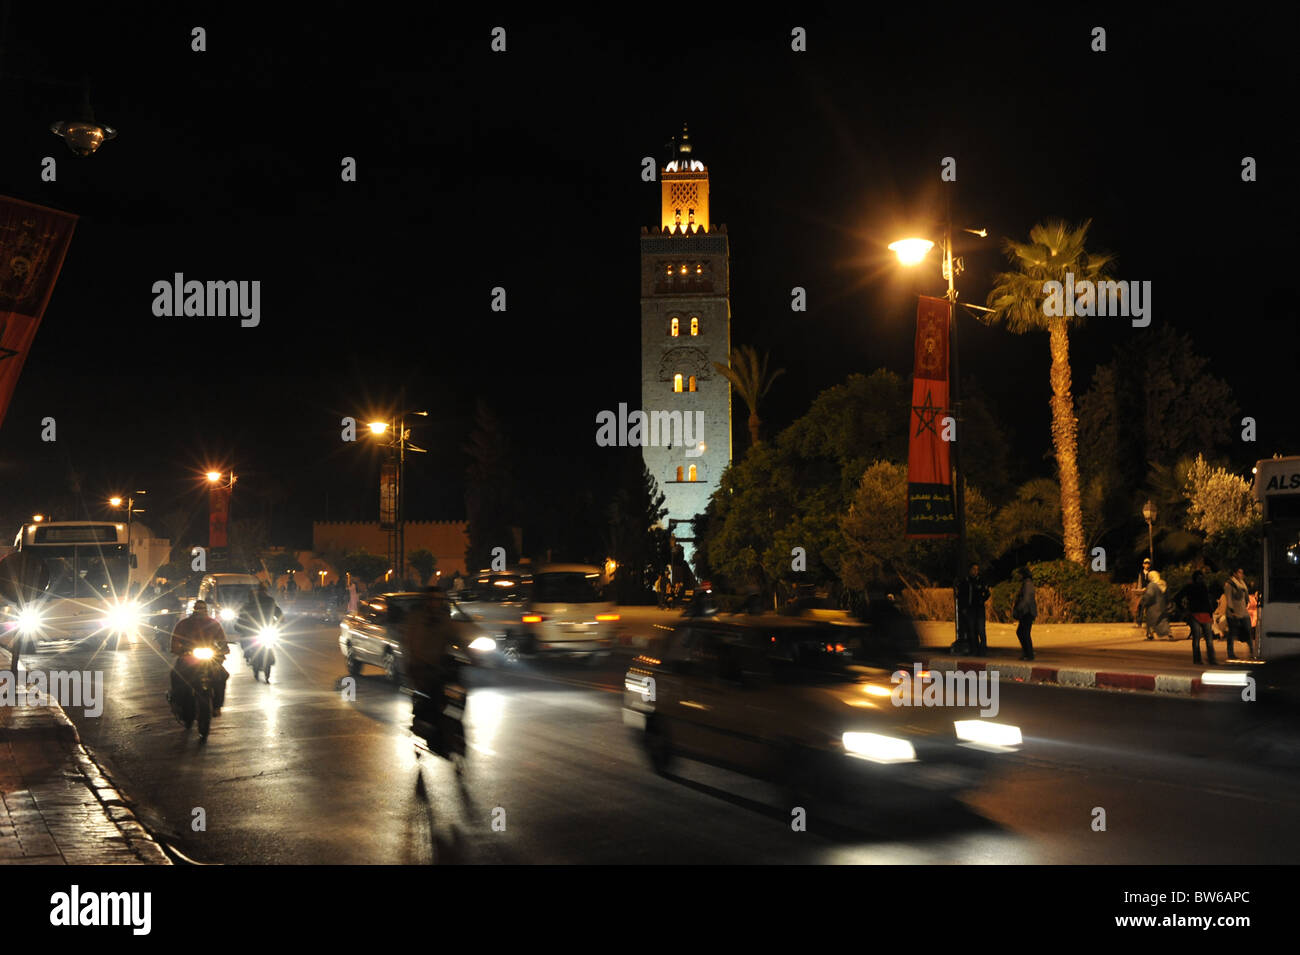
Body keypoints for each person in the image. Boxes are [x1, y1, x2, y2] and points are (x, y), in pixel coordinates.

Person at [404, 587, 461, 741]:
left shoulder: (444, 619)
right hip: (421, 668)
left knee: (456, 694)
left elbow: (457, 638)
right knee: (428, 702)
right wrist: (416, 663)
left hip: (439, 667)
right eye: (432, 599)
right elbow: (410, 643)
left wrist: (473, 656)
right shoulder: (416, 619)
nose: (435, 603)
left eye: (438, 600)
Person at [168, 599, 230, 715]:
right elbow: (175, 640)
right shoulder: (184, 624)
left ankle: (217, 706)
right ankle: (177, 703)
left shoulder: (214, 624)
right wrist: (179, 650)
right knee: (176, 675)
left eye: (203, 608)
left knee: (222, 675)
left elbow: (221, 640)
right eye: (198, 608)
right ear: (194, 610)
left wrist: (223, 649)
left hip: (210, 659)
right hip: (189, 657)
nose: (200, 611)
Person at [1175, 570, 1217, 665]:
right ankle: (1206, 659)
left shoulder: (1200, 586)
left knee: (1203, 639)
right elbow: (1177, 598)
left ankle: (1203, 659)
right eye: (1199, 577)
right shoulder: (1195, 586)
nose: (1200, 579)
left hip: (1201, 614)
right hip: (1197, 614)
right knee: (1202, 638)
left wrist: (1184, 609)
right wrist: (1184, 609)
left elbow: (1177, 598)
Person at [956, 563, 991, 656]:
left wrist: (981, 600)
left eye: (976, 569)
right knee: (971, 630)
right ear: (970, 570)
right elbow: (961, 595)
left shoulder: (981, 581)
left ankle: (983, 650)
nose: (975, 571)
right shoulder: (966, 581)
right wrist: (963, 607)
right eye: (973, 569)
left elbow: (987, 593)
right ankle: (974, 649)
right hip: (969, 609)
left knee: (981, 629)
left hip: (979, 609)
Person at [1224, 568, 1253, 659]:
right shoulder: (1229, 584)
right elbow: (1228, 598)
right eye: (1240, 572)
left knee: (1248, 630)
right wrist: (1232, 611)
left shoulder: (1242, 583)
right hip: (1233, 613)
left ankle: (1252, 652)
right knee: (1232, 634)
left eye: (1242, 572)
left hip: (1243, 611)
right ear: (1234, 573)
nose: (1241, 574)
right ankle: (1230, 653)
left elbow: (1245, 597)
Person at [1013, 567, 1037, 661]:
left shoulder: (1027, 584)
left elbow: (1026, 599)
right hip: (1027, 611)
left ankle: (1029, 654)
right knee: (1022, 632)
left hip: (1027, 612)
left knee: (1024, 633)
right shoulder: (1026, 583)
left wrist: (1019, 608)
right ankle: (1027, 653)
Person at [1140, 570, 1170, 640]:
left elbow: (1149, 595)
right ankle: (1168, 633)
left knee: (1150, 620)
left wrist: (1144, 601)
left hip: (1153, 606)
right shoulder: (1163, 583)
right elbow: (1167, 595)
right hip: (1162, 605)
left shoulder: (1152, 585)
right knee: (1163, 620)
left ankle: (1150, 634)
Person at [1134, 558, 1153, 628]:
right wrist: (1139, 591)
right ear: (1143, 565)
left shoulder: (1151, 573)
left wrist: (1147, 588)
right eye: (1145, 563)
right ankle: (1139, 622)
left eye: (1148, 563)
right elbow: (1139, 583)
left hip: (1150, 592)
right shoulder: (1141, 573)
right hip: (1143, 593)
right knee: (1140, 607)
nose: (1147, 565)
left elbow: (1153, 583)